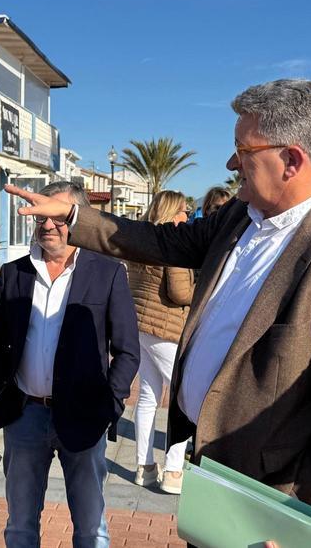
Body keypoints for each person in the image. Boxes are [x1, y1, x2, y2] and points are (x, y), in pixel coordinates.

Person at [7, 79, 311, 506]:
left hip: (264, 498)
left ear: (291, 160)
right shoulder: (240, 215)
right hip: (205, 471)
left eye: (243, 151)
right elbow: (162, 243)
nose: (230, 163)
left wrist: (295, 504)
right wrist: (75, 216)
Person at [0, 181, 140, 548]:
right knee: (19, 526)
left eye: (58, 217)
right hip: (24, 416)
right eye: (42, 217)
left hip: (84, 418)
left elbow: (127, 351)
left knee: (90, 528)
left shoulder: (107, 273)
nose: (47, 225)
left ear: (78, 220)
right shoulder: (14, 273)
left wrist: (108, 405)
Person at [127, 190, 194, 494]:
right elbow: (181, 293)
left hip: (140, 327)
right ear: (172, 212)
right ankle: (174, 472)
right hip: (166, 330)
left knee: (148, 397)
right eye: (184, 210)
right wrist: (203, 288)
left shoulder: (141, 242)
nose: (187, 216)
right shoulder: (173, 245)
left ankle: (144, 468)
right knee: (184, 399)